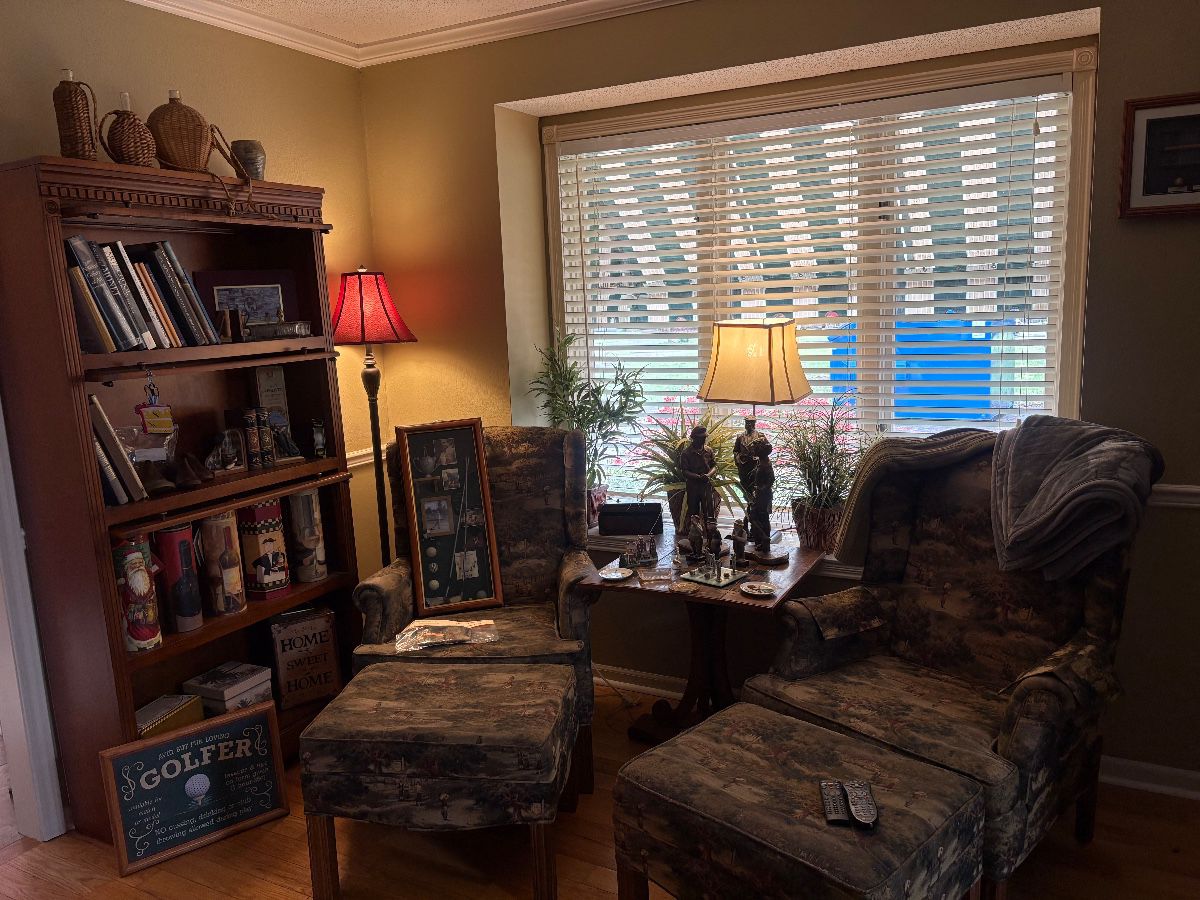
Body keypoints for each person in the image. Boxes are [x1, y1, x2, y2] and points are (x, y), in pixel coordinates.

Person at [679, 424, 719, 523]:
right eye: (702, 438)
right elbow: (684, 471)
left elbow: (714, 466)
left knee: (709, 512)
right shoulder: (686, 453)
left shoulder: (708, 450)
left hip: (706, 485)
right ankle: (695, 535)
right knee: (693, 512)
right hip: (693, 486)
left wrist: (708, 475)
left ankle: (709, 535)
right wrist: (697, 477)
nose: (704, 440)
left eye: (705, 437)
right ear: (694, 438)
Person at [747, 437, 775, 552]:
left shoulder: (765, 465)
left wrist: (761, 489)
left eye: (754, 449)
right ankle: (761, 541)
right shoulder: (762, 461)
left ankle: (764, 539)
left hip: (763, 495)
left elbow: (771, 479)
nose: (752, 450)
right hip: (759, 494)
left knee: (758, 517)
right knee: (757, 517)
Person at [733, 417, 765, 505]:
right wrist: (738, 461)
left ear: (755, 424)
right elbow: (736, 451)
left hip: (755, 466)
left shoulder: (760, 436)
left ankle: (754, 507)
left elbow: (766, 451)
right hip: (743, 467)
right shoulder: (740, 437)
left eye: (751, 423)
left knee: (755, 487)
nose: (749, 425)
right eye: (747, 423)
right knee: (745, 488)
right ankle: (749, 506)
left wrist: (759, 458)